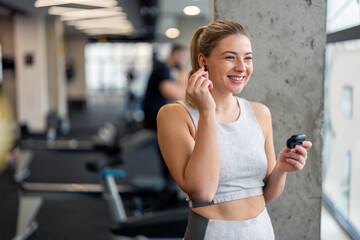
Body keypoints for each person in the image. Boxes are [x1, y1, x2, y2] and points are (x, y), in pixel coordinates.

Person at [157, 20, 312, 239]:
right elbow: (202, 191)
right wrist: (207, 112)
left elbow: (265, 194)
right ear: (203, 61)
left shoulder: (260, 113)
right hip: (213, 233)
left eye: (247, 57)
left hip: (262, 230)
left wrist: (281, 169)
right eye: (230, 57)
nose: (242, 67)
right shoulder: (174, 115)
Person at [143, 44, 188, 130]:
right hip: (155, 116)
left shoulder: (166, 69)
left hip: (158, 114)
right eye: (182, 57)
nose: (183, 60)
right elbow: (175, 94)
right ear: (174, 54)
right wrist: (182, 71)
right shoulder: (163, 69)